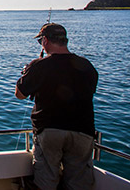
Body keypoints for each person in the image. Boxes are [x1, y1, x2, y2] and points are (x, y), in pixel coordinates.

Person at [15, 23, 98, 190]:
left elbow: (20, 94)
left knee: (46, 181)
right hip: (83, 131)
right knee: (79, 183)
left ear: (45, 40)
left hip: (50, 130)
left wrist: (25, 74)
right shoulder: (87, 66)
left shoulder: (39, 66)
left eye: (40, 42)